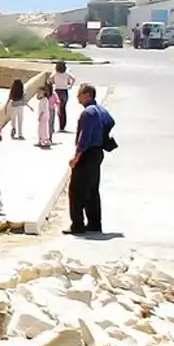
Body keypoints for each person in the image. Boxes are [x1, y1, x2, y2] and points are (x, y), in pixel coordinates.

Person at [65, 84, 115, 236]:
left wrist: (76, 157)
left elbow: (84, 138)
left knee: (76, 190)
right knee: (92, 190)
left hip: (87, 154)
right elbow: (110, 122)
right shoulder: (101, 110)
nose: (77, 97)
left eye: (79, 94)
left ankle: (78, 225)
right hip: (98, 152)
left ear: (87, 95)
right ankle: (94, 223)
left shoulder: (88, 113)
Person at [49, 62, 76, 132]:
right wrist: (70, 86)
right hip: (64, 91)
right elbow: (73, 78)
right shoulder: (67, 73)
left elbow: (49, 79)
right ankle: (62, 126)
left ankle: (52, 126)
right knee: (63, 109)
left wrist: (53, 83)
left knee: (56, 109)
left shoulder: (55, 73)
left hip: (57, 91)